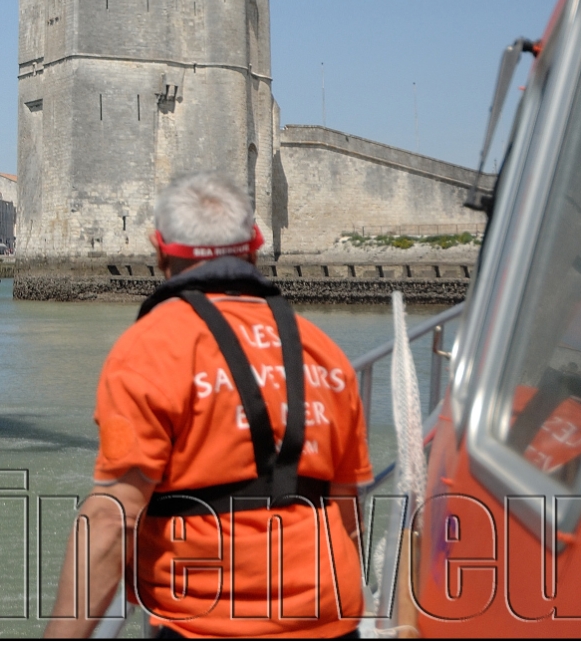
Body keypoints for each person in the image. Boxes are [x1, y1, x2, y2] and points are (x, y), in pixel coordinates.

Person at [46, 174, 371, 640]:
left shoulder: (149, 350)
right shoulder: (323, 353)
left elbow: (111, 518)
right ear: (254, 248)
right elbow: (347, 513)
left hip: (204, 623)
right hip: (329, 623)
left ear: (160, 253)